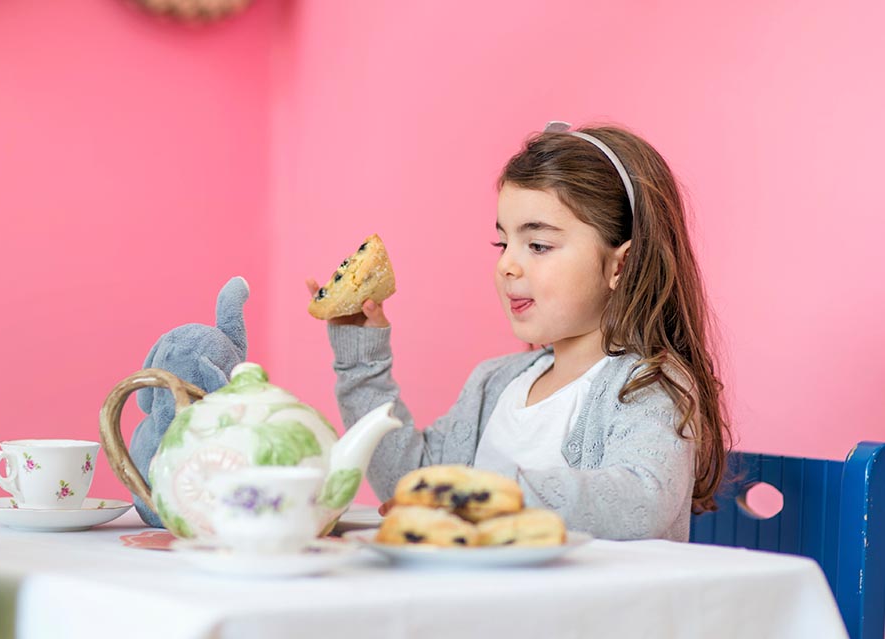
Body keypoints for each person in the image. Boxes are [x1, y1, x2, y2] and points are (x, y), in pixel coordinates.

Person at [307, 121, 730, 541]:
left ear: (620, 265)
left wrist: (487, 496)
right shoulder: (494, 383)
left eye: (538, 246)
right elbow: (412, 484)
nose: (507, 264)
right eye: (502, 243)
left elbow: (642, 502)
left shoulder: (648, 385)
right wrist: (361, 360)